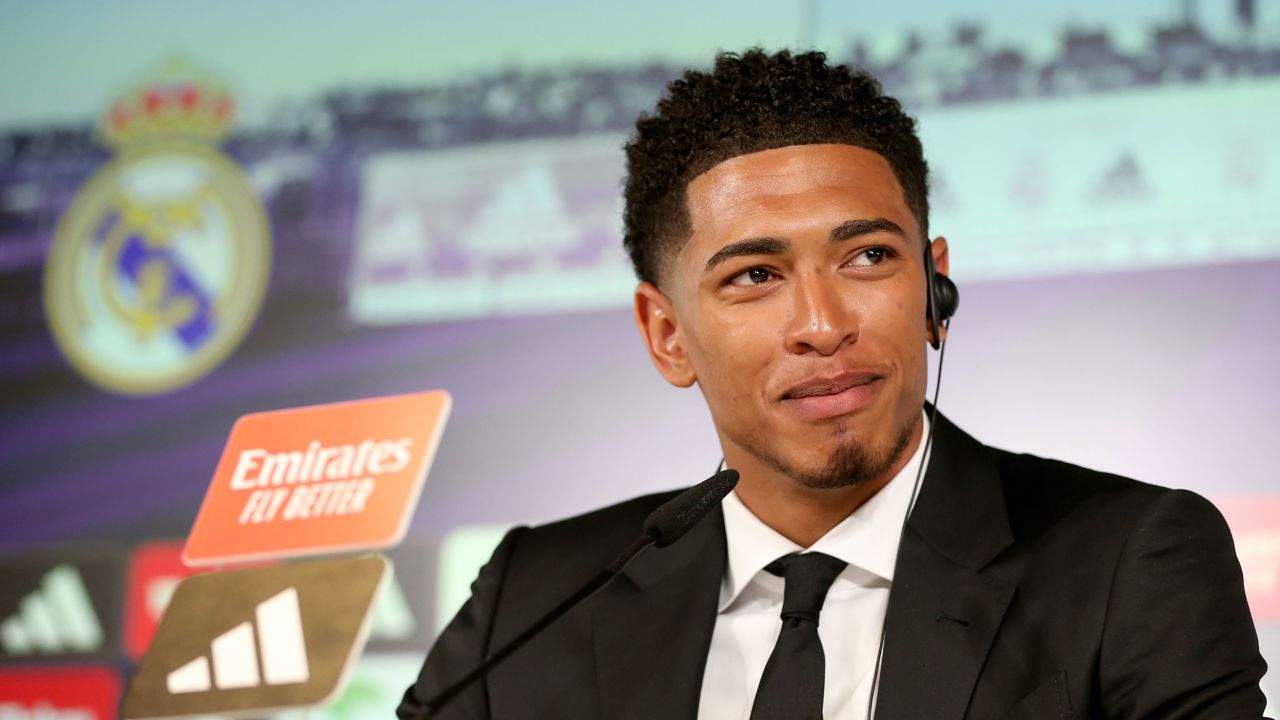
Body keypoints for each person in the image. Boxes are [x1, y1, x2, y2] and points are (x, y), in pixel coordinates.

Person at [398, 49, 1269, 720]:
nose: (822, 323)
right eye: (753, 276)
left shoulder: (1132, 560)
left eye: (867, 257)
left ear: (934, 290)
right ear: (667, 336)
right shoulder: (537, 596)